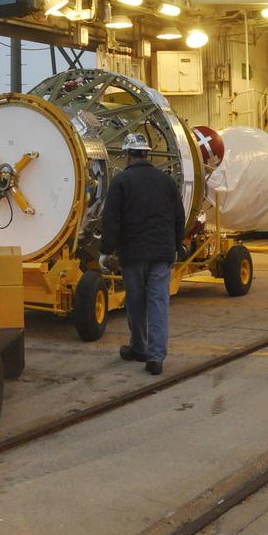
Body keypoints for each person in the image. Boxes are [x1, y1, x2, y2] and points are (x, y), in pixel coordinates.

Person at [99, 133, 185, 376]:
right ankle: (156, 358)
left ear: (128, 155)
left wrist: (105, 251)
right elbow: (179, 217)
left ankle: (139, 347)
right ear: (147, 154)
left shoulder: (121, 181)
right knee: (159, 303)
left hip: (133, 253)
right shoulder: (167, 181)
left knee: (135, 303)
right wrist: (177, 246)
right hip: (162, 252)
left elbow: (111, 219)